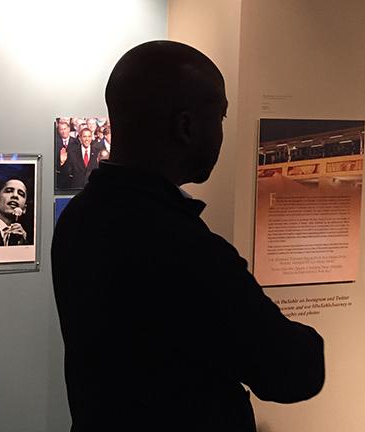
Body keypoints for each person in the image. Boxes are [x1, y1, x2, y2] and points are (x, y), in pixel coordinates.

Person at [52, 41, 324, 431]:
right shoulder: (184, 247)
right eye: (220, 118)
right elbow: (293, 372)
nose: (220, 135)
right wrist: (307, 340)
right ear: (186, 126)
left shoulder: (80, 217)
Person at [55, 120, 80, 189]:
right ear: (58, 131)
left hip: (73, 177)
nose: (63, 131)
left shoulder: (76, 142)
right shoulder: (54, 142)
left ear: (69, 129)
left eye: (65, 129)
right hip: (59, 177)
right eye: (61, 129)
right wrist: (61, 161)